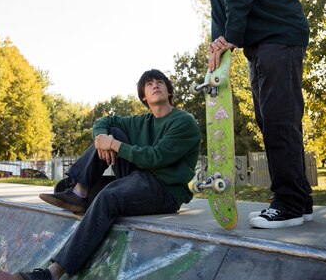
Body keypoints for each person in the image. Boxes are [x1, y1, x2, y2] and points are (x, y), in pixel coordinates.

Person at [173, 0, 313, 229]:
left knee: (280, 120)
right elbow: (218, 10)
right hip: (260, 46)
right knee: (270, 120)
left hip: (280, 36)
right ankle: (298, 200)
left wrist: (231, 36)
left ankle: (289, 204)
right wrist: (216, 48)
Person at [16, 69, 201, 280]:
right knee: (107, 135)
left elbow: (155, 157)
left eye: (160, 82)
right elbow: (104, 121)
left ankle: (53, 273)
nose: (155, 85)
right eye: (149, 84)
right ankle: (80, 191)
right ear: (144, 97)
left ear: (169, 91)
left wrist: (112, 144)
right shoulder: (142, 121)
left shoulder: (183, 121)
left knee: (108, 195)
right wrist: (102, 137)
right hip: (139, 178)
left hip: (165, 189)